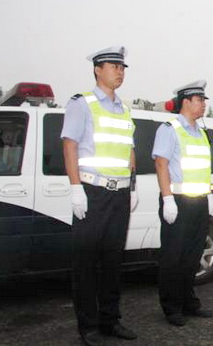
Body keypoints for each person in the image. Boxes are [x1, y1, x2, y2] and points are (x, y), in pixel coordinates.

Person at [61, 46, 139, 346]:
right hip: (92, 192)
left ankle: (110, 320)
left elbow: (129, 151)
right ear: (97, 69)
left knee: (112, 262)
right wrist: (76, 188)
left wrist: (132, 187)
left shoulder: (125, 109)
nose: (120, 72)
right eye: (113, 66)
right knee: (85, 263)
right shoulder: (82, 104)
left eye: (122, 67)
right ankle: (88, 326)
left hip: (119, 195)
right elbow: (69, 145)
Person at [152, 80, 213, 327]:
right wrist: (167, 198)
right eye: (199, 100)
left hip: (199, 202)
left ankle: (189, 302)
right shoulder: (170, 129)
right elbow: (161, 163)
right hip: (177, 202)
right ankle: (171, 307)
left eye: (204, 100)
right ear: (186, 102)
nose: (204, 104)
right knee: (173, 256)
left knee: (192, 255)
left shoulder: (201, 133)